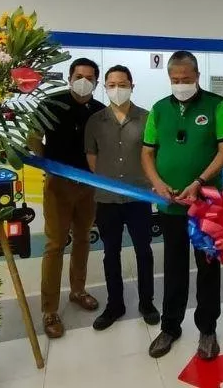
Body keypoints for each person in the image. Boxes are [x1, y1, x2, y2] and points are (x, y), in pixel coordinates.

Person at [142, 51, 223, 361]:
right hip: (171, 204)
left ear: (197, 76)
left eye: (186, 79)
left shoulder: (216, 105)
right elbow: (147, 153)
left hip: (207, 204)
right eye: (175, 80)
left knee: (208, 267)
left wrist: (199, 181)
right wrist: (157, 183)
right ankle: (170, 326)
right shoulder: (158, 109)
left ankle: (207, 329)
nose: (180, 84)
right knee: (174, 266)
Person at [30, 57, 105, 338]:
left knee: (84, 238)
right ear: (70, 77)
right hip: (58, 185)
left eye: (90, 77)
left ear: (96, 83)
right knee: (55, 244)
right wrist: (41, 162)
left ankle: (78, 290)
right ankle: (49, 308)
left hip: (89, 187)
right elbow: (34, 136)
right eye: (79, 75)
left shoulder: (99, 111)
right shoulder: (51, 104)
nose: (84, 81)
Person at [84, 65, 160, 331]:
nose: (117, 89)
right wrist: (110, 181)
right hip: (106, 200)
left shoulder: (148, 118)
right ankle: (115, 304)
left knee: (144, 251)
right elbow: (92, 158)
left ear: (132, 85)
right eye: (112, 85)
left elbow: (152, 156)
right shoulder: (95, 121)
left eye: (122, 84)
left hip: (138, 198)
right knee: (110, 253)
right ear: (105, 87)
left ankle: (147, 302)